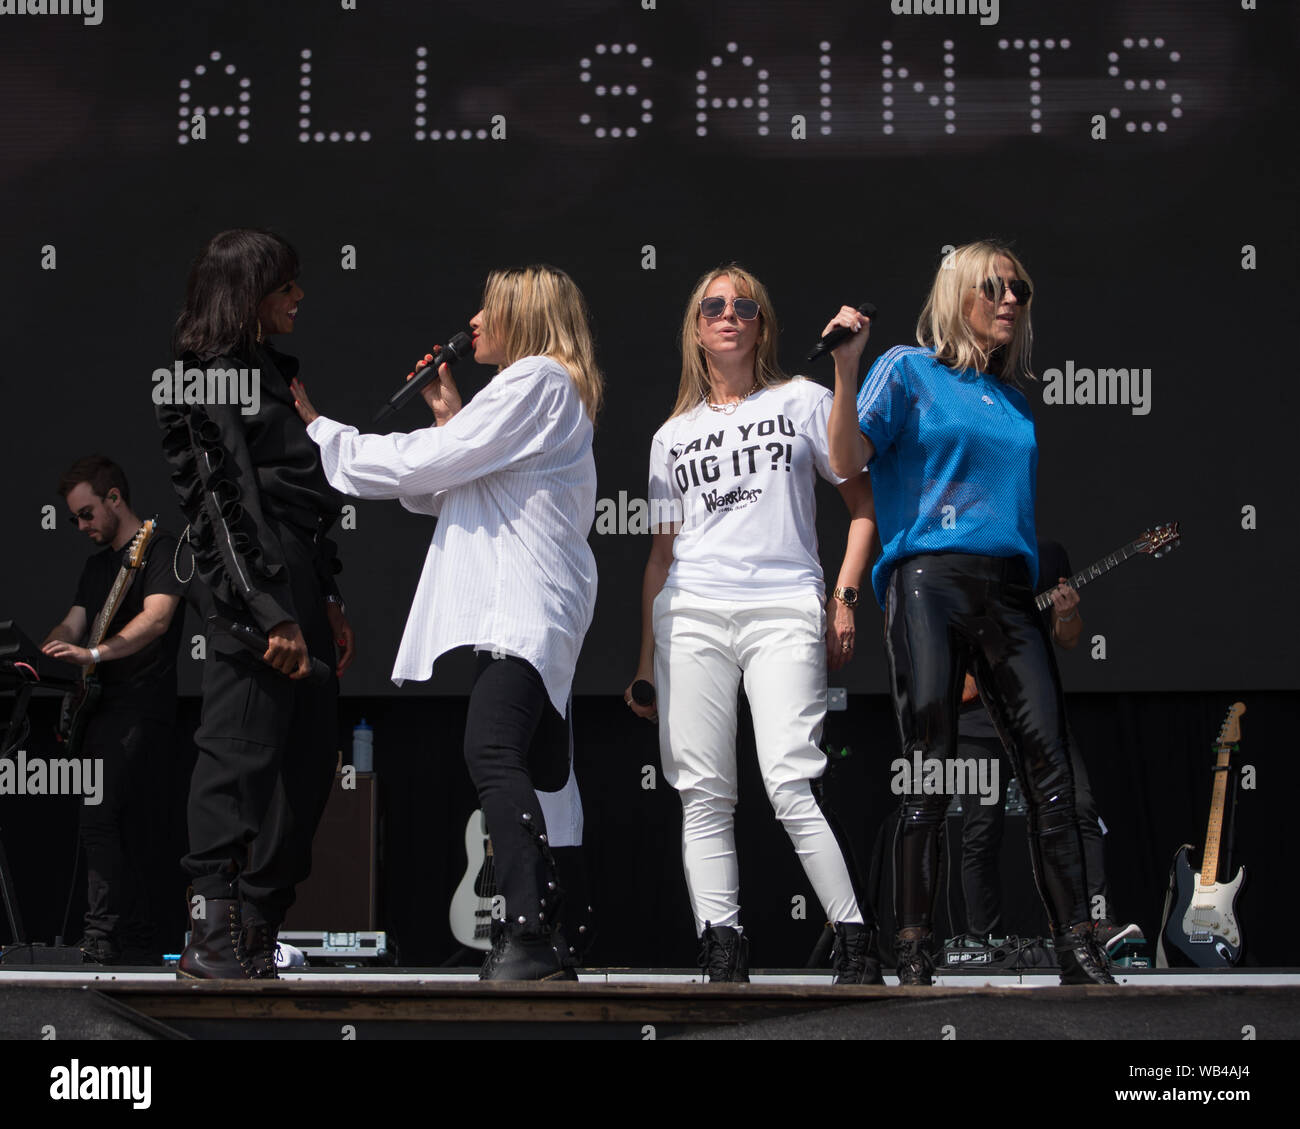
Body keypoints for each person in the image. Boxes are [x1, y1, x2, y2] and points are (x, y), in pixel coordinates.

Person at [293, 264, 602, 982]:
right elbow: (459, 488)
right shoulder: (543, 392)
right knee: (540, 767)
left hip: (526, 605)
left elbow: (433, 466)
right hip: (532, 607)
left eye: (486, 310)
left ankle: (529, 930)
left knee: (491, 748)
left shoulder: (537, 382)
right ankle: (564, 928)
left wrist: (323, 433)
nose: (471, 324)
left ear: (522, 317)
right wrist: (447, 415)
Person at [826, 240, 1115, 985]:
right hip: (929, 578)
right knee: (929, 766)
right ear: (959, 295)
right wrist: (846, 366)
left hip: (1009, 588)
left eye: (1020, 288)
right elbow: (848, 460)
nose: (1011, 300)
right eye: (994, 287)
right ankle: (916, 944)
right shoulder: (908, 369)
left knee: (1049, 765)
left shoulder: (1013, 397)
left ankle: (1077, 944)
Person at [625, 264, 881, 984]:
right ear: (696, 328)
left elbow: (860, 493)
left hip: (781, 606)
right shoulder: (670, 436)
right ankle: (722, 947)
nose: (728, 314)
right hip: (691, 611)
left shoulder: (802, 398)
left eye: (744, 305)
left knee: (789, 779)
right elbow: (659, 558)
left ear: (762, 323)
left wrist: (845, 598)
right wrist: (644, 662)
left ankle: (857, 941)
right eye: (713, 306)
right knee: (703, 792)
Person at [157, 229, 355, 979]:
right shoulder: (201, 373)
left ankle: (259, 922)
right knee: (239, 751)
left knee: (310, 758)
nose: (299, 298)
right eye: (285, 287)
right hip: (250, 582)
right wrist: (264, 608)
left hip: (297, 575)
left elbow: (307, 495)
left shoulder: (273, 371)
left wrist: (325, 597)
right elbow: (219, 496)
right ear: (247, 294)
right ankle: (214, 931)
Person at [955, 538, 1142, 951]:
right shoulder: (962, 551)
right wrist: (958, 670)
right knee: (980, 829)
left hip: (1037, 710)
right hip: (975, 720)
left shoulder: (1050, 554)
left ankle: (1096, 923)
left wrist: (1069, 612)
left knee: (1079, 807)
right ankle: (981, 940)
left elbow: (1069, 638)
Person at [41, 456, 187, 965]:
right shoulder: (97, 566)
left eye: (86, 514)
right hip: (99, 714)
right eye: (74, 517)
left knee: (124, 825)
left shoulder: (162, 548)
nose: (81, 526)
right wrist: (52, 648)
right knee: (103, 824)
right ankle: (115, 939)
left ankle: (115, 940)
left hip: (143, 709)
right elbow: (73, 622)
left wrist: (96, 654)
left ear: (115, 499)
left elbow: (158, 619)